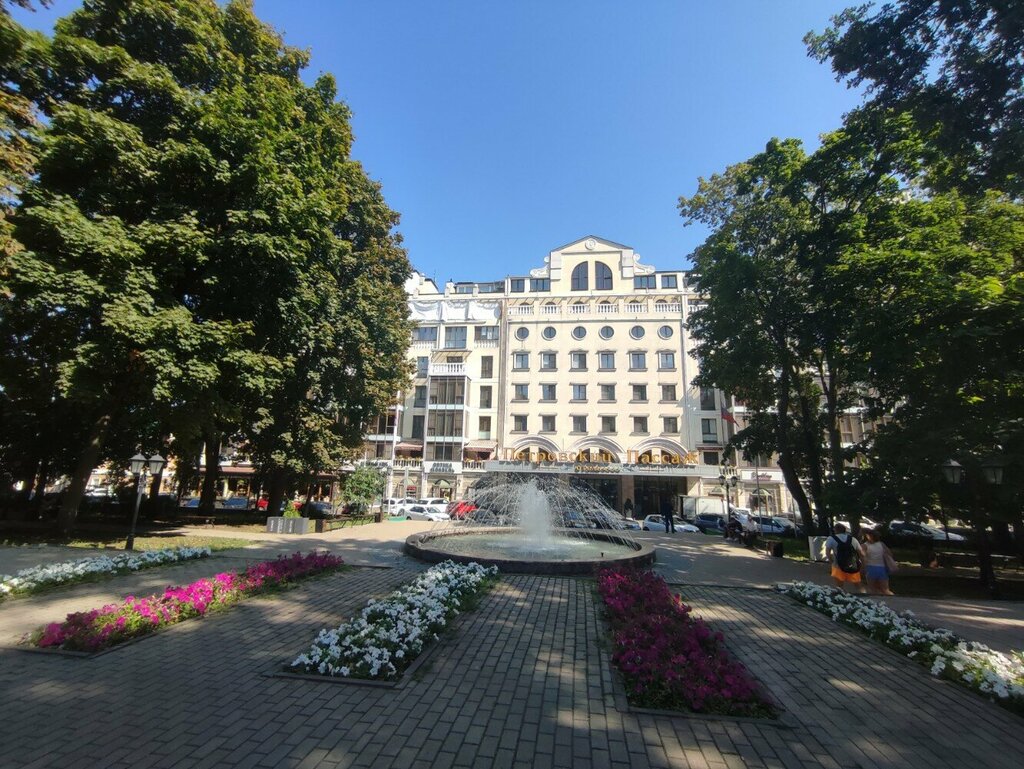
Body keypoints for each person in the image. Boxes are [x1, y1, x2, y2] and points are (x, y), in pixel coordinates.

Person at [824, 523, 864, 592]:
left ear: (835, 530)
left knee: (839, 586)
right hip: (853, 564)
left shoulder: (831, 539)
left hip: (837, 565)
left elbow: (827, 553)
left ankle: (842, 599)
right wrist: (862, 563)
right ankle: (865, 596)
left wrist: (831, 562)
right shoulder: (852, 539)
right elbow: (861, 553)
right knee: (858, 585)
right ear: (845, 530)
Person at [862, 528, 896, 595]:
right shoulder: (881, 544)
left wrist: (863, 568)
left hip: (870, 568)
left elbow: (863, 558)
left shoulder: (865, 546)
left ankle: (876, 602)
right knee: (885, 589)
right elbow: (890, 554)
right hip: (882, 568)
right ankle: (893, 599)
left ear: (868, 536)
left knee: (872, 589)